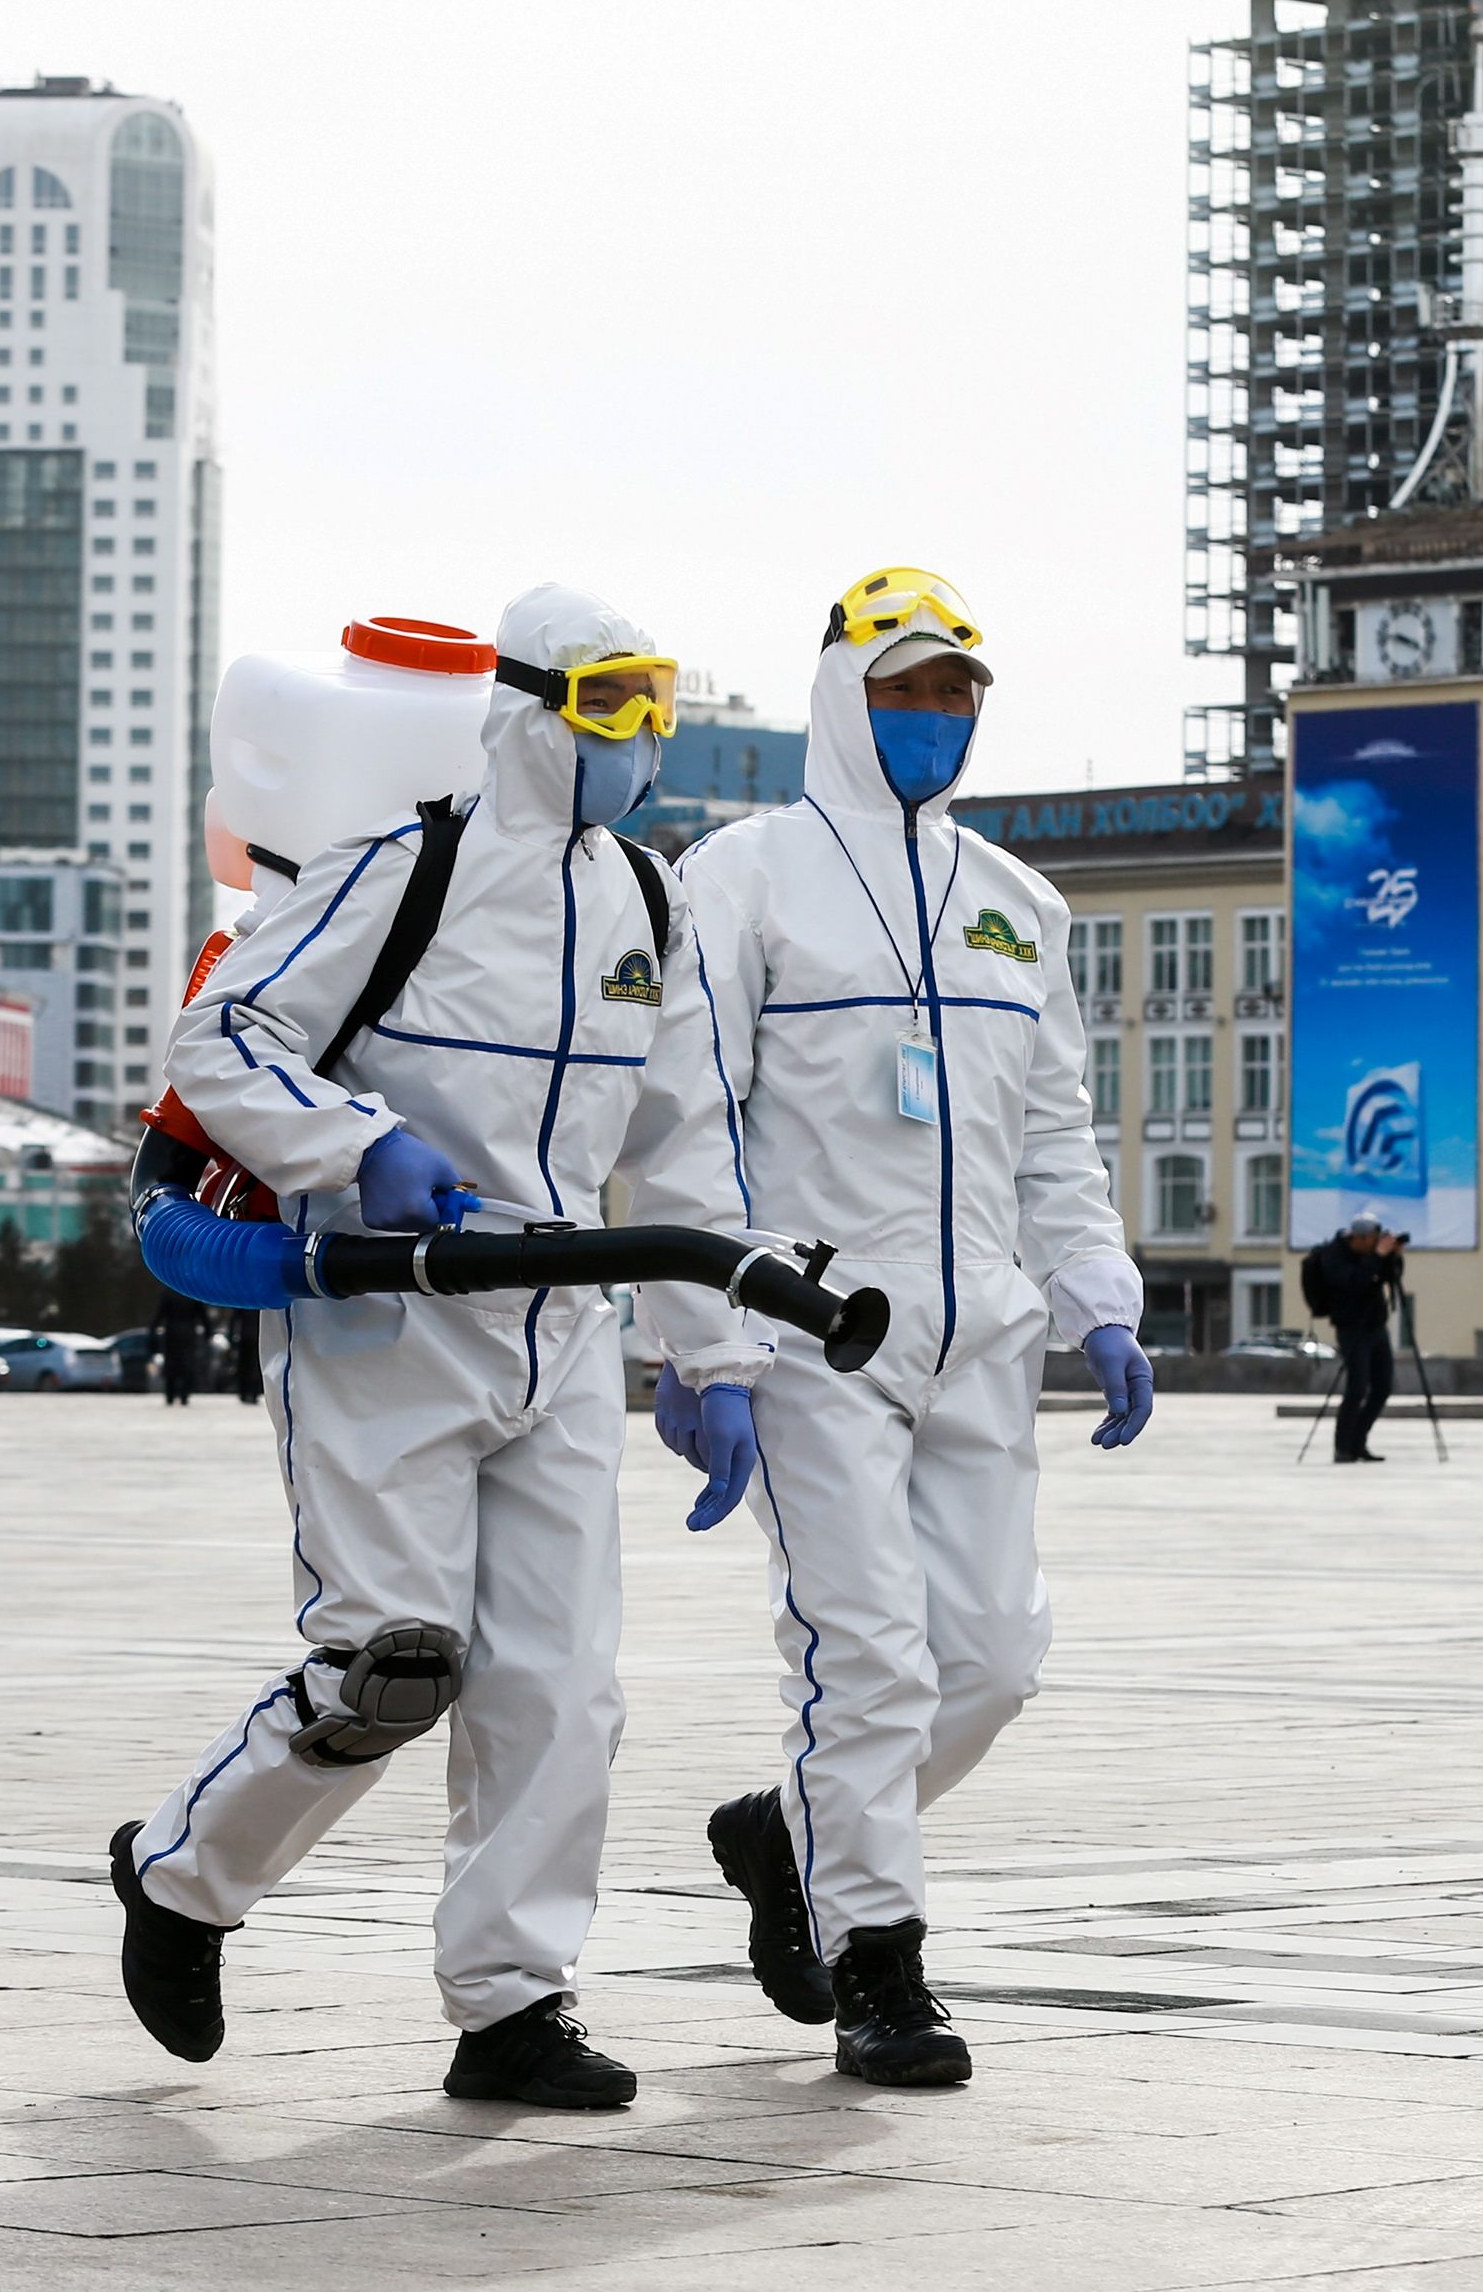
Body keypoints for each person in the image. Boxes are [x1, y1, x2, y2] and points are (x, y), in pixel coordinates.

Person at [107, 582, 769, 2110]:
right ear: (530, 709)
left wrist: (710, 1358)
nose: (644, 734)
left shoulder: (648, 905)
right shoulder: (408, 868)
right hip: (390, 1320)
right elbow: (225, 1038)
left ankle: (512, 2003)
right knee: (388, 1666)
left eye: (658, 701)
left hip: (560, 1333)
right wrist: (358, 1139)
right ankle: (180, 1877)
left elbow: (682, 1151)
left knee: (559, 1686)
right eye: (613, 700)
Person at [645, 563, 1154, 2092]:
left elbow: (1055, 1126)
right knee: (868, 1659)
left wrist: (1101, 1296)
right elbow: (688, 1124)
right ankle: (881, 1964)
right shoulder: (744, 879)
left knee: (990, 1658)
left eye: (959, 693)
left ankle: (784, 1833)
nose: (937, 716)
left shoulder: (1016, 903)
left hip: (984, 1333)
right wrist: (707, 1340)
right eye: (908, 688)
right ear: (839, 696)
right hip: (817, 1329)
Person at [1303, 1214, 1407, 1464]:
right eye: (1372, 1240)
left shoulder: (1371, 1255)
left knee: (1382, 1387)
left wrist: (1394, 1256)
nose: (1375, 1245)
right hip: (1351, 1328)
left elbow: (1390, 1278)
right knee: (1357, 1388)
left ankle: (1358, 1443)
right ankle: (1343, 1447)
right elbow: (1354, 1283)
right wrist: (1377, 1257)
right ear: (1358, 1238)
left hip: (1375, 1326)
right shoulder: (1333, 1255)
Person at [151, 1291, 207, 1409]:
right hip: (188, 1333)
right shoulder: (192, 1292)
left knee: (171, 1365)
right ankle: (184, 1395)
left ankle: (170, 1395)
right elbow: (202, 1315)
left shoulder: (169, 1292)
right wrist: (208, 1332)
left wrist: (153, 1329)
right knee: (187, 1365)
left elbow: (160, 1313)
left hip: (171, 1333)